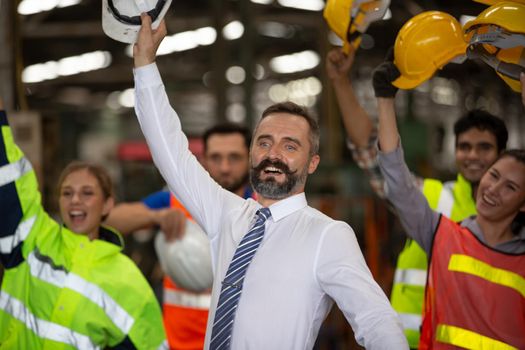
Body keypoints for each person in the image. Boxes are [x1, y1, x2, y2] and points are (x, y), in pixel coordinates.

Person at [131, 14, 408, 349]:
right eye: (264, 142)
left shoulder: (327, 235)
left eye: (290, 146)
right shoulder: (228, 215)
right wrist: (145, 63)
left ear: (313, 162)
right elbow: (171, 153)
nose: (273, 154)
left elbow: (377, 322)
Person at [326, 47, 509, 348]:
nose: (473, 155)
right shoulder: (432, 196)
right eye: (465, 147)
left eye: (484, 147)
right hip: (406, 341)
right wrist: (342, 83)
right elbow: (371, 152)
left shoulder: (515, 219)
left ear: (501, 154)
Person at [373, 58, 525, 349]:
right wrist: (384, 99)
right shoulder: (442, 235)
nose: (493, 189)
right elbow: (397, 178)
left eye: (511, 187)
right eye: (493, 176)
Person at [0, 100, 167, 349]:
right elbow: (10, 177)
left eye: (87, 193)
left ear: (108, 204)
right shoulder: (33, 237)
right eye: (67, 193)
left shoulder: (128, 280)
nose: (75, 200)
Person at [105, 122, 254, 350]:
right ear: (203, 160)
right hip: (180, 344)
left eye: (234, 157)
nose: (224, 167)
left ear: (250, 160)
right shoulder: (177, 201)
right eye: (216, 157)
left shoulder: (263, 211)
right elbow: (110, 220)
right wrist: (156, 217)